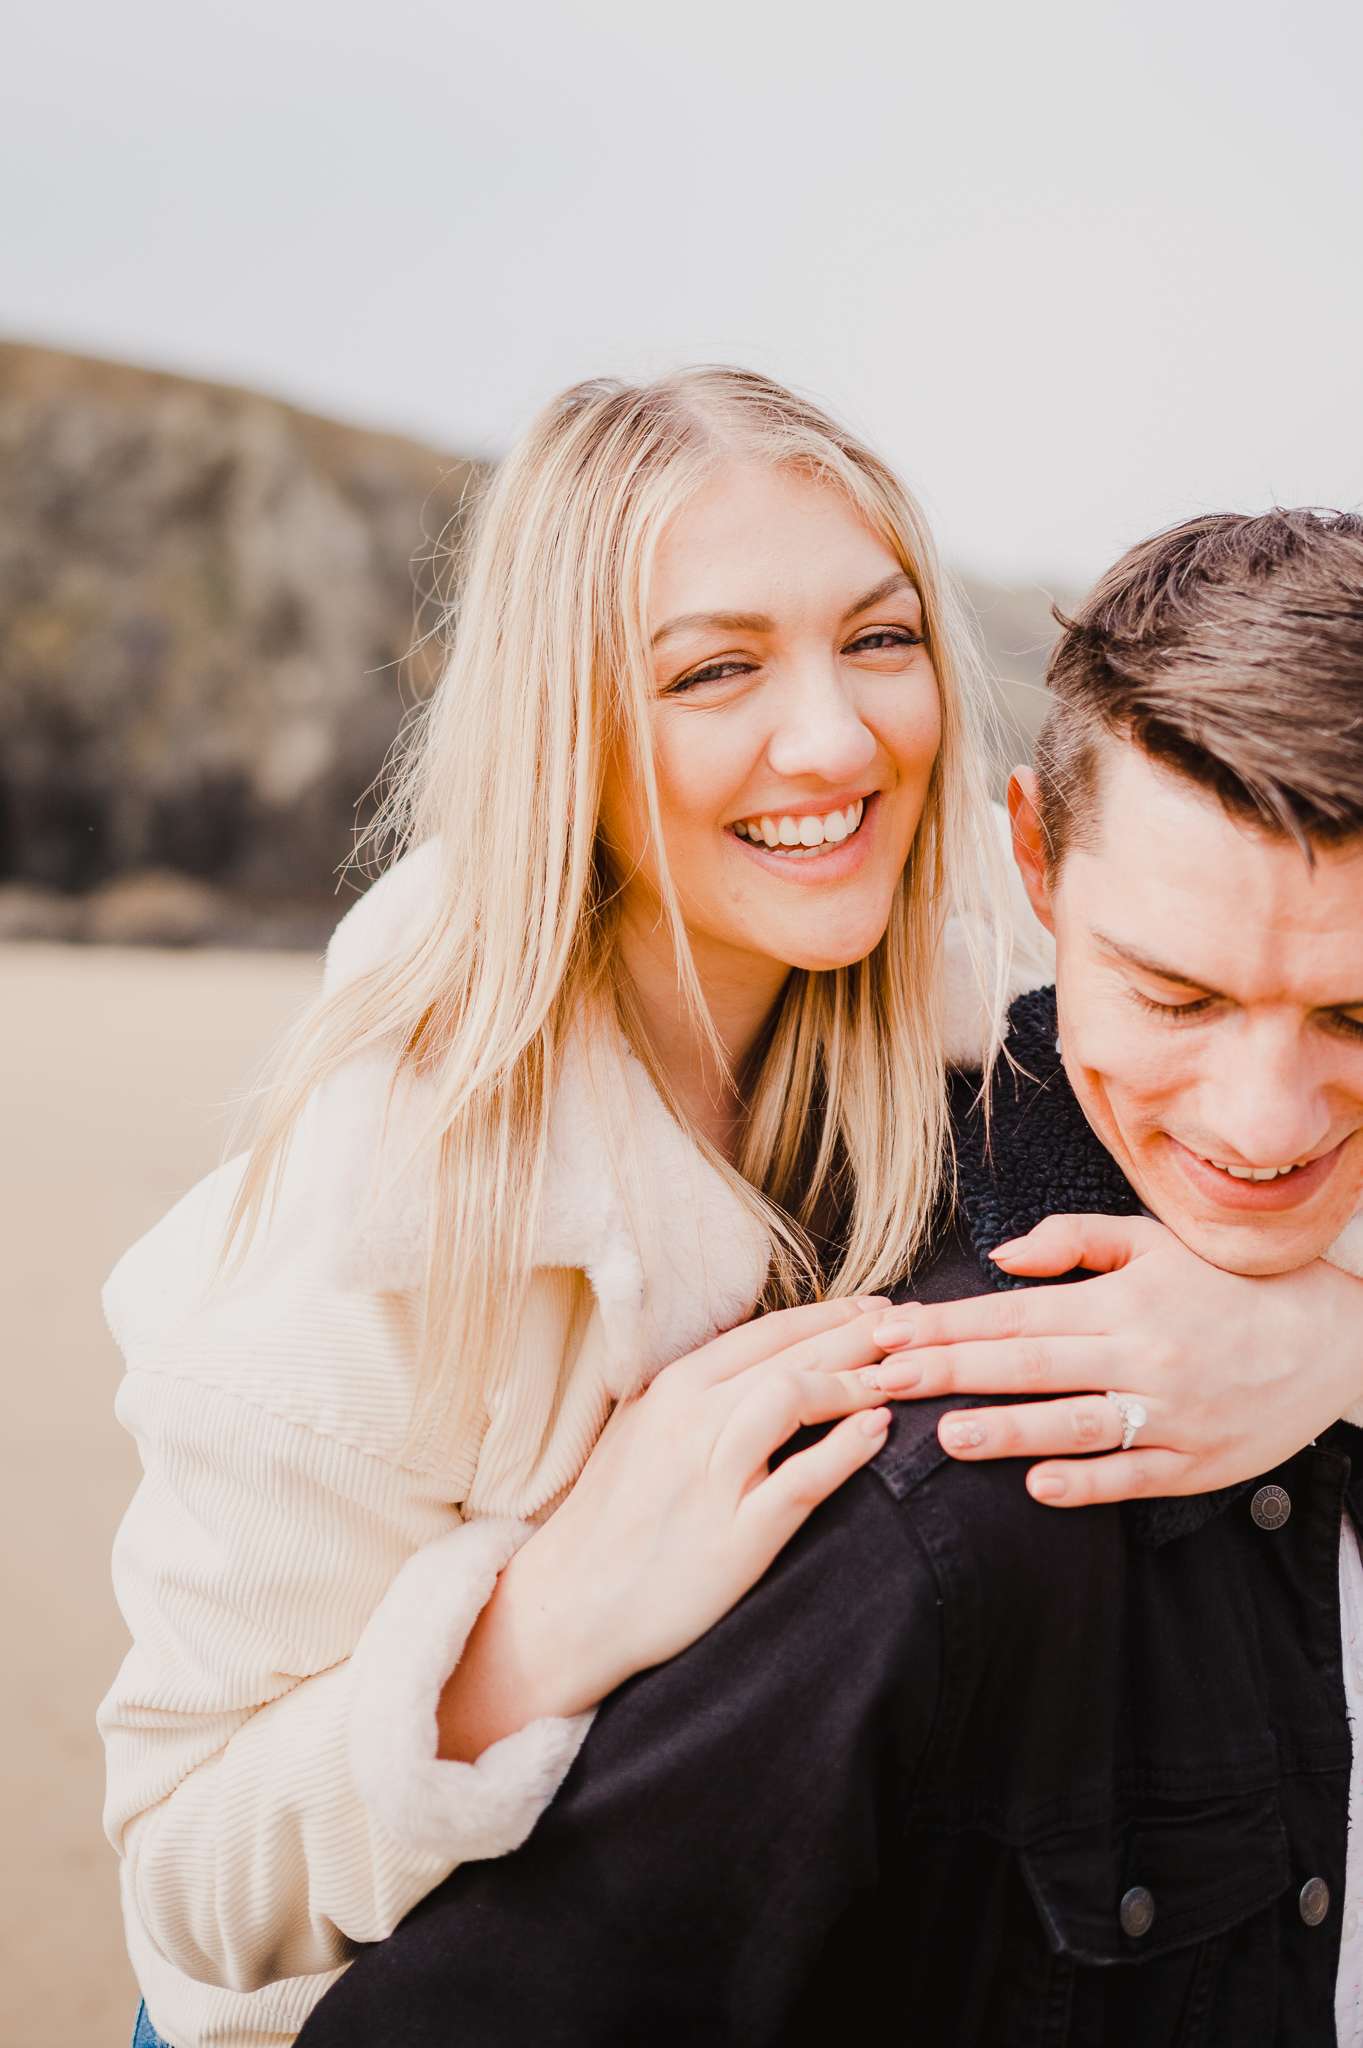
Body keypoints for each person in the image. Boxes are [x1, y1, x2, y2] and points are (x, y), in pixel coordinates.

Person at [100, 372, 1359, 2048]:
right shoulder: (371, 1217)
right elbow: (186, 1881)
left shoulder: (996, 987)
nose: (837, 740)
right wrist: (525, 1640)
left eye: (883, 640)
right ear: (573, 725)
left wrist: (1320, 1333)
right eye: (716, 670)